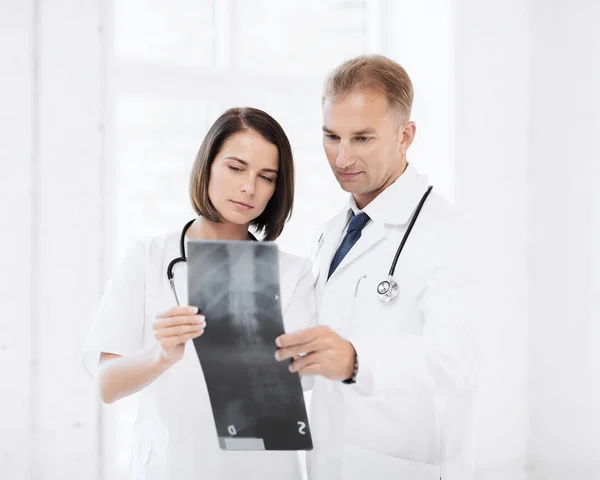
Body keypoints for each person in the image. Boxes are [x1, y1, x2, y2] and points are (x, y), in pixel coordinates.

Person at [82, 107, 316, 480]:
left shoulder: (292, 273)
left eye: (266, 177)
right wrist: (161, 355)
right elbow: (107, 384)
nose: (249, 188)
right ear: (207, 165)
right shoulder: (147, 259)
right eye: (236, 168)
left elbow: (306, 378)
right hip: (173, 467)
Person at [275, 55, 478, 480]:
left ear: (405, 136)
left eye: (363, 138)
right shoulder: (332, 232)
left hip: (403, 467)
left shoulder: (446, 231)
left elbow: (455, 362)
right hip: (330, 462)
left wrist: (355, 359)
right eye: (331, 136)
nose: (342, 157)